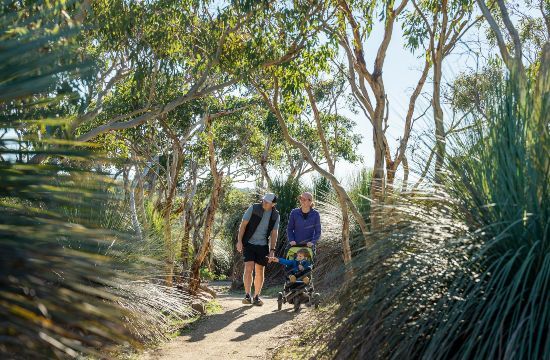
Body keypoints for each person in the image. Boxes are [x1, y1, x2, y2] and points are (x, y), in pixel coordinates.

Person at [236, 193, 280, 306]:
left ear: (273, 204)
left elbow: (274, 233)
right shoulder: (254, 208)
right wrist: (239, 241)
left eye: (267, 202)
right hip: (249, 243)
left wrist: (272, 250)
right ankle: (247, 295)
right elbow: (243, 225)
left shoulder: (275, 215)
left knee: (260, 270)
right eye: (264, 200)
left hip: (263, 245)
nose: (264, 203)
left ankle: (256, 296)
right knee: (249, 267)